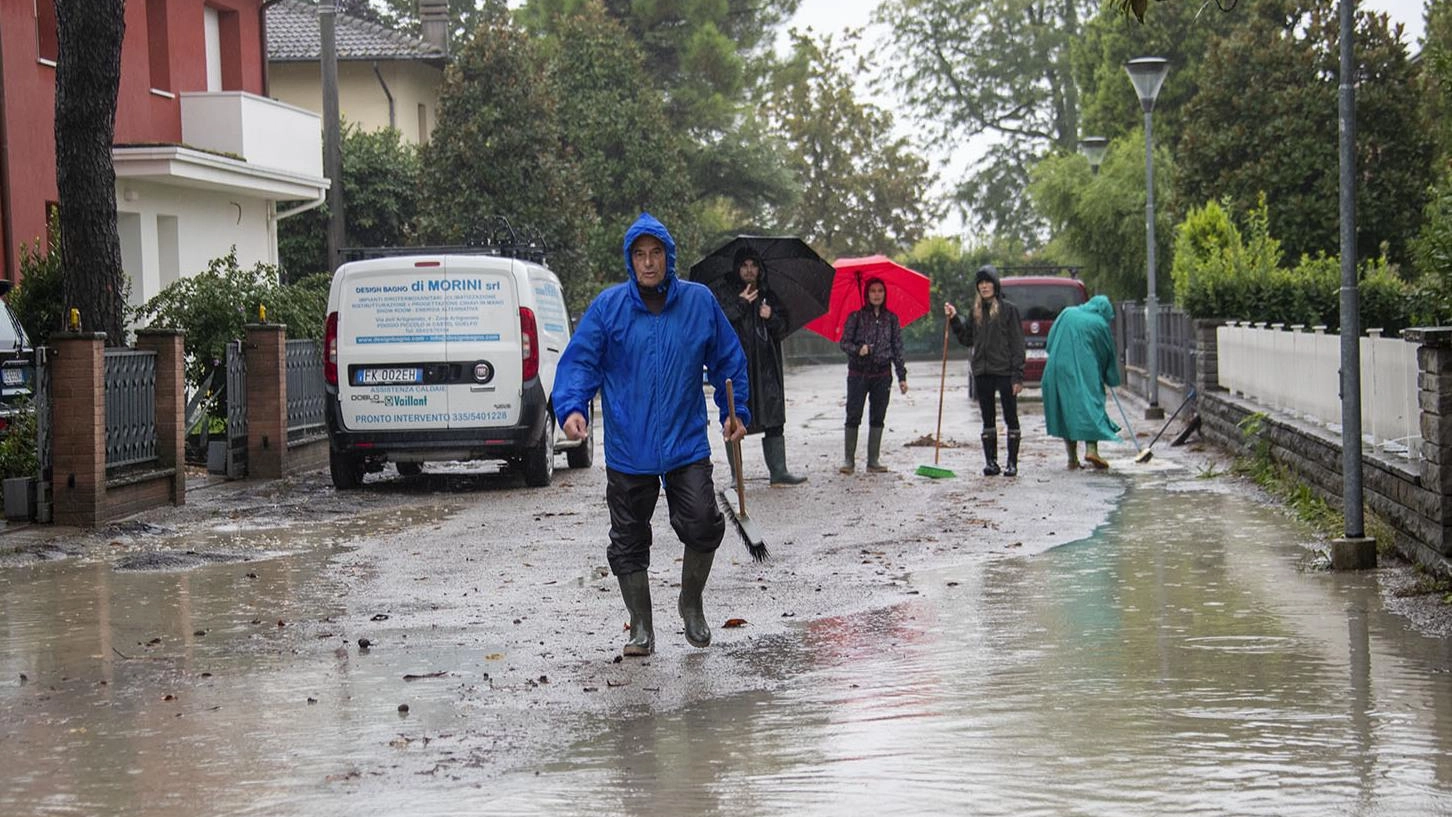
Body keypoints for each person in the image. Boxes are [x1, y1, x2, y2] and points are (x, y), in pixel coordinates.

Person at [552, 213, 749, 657]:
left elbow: (728, 362)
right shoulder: (609, 307)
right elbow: (581, 362)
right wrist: (571, 407)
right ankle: (641, 626)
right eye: (639, 254)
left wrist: (736, 413)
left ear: (669, 256)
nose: (648, 263)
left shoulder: (698, 303)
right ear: (629, 260)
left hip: (685, 444)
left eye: (655, 253)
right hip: (628, 447)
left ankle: (690, 603)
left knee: (703, 523)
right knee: (627, 540)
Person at [713, 246, 805, 485]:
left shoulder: (768, 295)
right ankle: (737, 476)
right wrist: (741, 304)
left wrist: (771, 316)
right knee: (735, 416)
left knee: (774, 418)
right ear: (737, 268)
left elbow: (784, 327)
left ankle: (779, 471)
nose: (749, 270)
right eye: (744, 265)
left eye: (753, 265)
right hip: (738, 367)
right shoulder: (725, 293)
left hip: (766, 368)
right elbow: (718, 324)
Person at [944, 265, 1026, 476]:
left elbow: (1017, 344)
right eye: (981, 283)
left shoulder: (1009, 310)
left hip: (1005, 371)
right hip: (982, 371)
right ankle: (991, 462)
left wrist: (1018, 375)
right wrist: (954, 319)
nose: (984, 286)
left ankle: (1012, 463)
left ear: (995, 285)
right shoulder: (975, 311)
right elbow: (966, 339)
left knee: (1010, 417)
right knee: (987, 417)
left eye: (988, 282)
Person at [1041, 295, 1120, 470]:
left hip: (1056, 370)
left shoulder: (1067, 313)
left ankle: (1072, 459)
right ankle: (1092, 450)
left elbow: (1050, 342)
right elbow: (1106, 352)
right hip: (1084, 371)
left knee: (1066, 411)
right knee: (1091, 406)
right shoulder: (1099, 323)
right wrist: (1110, 376)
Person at [838, 277, 908, 473]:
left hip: (882, 374)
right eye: (873, 291)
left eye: (880, 291)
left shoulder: (891, 319)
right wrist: (858, 349)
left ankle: (873, 460)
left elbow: (898, 348)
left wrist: (902, 376)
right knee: (853, 414)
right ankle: (849, 460)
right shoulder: (856, 317)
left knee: (878, 416)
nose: (877, 294)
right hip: (858, 373)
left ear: (884, 294)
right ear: (867, 294)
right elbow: (844, 342)